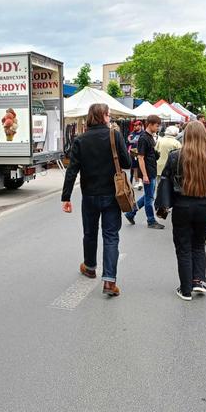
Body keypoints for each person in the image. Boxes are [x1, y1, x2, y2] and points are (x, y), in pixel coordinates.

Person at [61, 103, 131, 297]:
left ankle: (90, 267)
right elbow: (126, 162)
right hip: (112, 194)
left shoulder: (80, 139)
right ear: (104, 116)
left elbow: (72, 170)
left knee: (90, 233)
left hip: (89, 195)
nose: (110, 118)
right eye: (108, 115)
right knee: (111, 236)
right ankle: (109, 281)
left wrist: (66, 197)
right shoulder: (114, 135)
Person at [160, 121, 206, 301]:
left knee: (183, 247)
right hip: (204, 206)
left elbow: (166, 181)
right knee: (198, 245)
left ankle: (185, 289)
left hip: (182, 205)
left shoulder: (176, 156)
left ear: (186, 135)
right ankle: (199, 281)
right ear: (205, 135)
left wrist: (164, 205)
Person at [124, 115, 164, 229]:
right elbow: (140, 157)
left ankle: (131, 213)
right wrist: (145, 175)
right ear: (150, 124)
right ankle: (151, 221)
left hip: (151, 170)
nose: (158, 128)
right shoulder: (143, 138)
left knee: (148, 195)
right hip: (148, 172)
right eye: (157, 125)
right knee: (149, 198)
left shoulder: (150, 137)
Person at [127, 120, 144, 189]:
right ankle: (137, 182)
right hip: (133, 153)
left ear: (140, 126)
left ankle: (140, 181)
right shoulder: (132, 133)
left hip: (141, 152)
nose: (135, 127)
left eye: (136, 125)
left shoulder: (143, 133)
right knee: (135, 168)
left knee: (141, 167)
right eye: (134, 125)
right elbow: (129, 143)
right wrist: (128, 140)